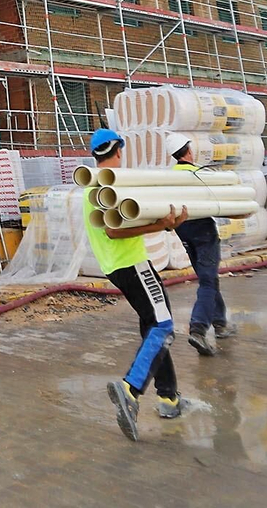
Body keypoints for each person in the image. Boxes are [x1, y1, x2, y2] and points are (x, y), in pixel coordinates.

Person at [85, 127, 188, 441]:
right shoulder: (107, 184)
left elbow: (123, 223)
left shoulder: (98, 184)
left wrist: (163, 225)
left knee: (153, 325)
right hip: (132, 265)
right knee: (163, 325)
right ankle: (129, 390)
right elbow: (114, 231)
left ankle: (168, 397)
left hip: (118, 267)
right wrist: (161, 225)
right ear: (117, 149)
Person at [169, 133, 236, 356]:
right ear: (188, 152)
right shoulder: (198, 173)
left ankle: (220, 323)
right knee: (208, 281)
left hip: (183, 231)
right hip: (203, 231)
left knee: (209, 278)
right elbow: (220, 196)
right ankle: (198, 328)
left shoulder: (169, 177)